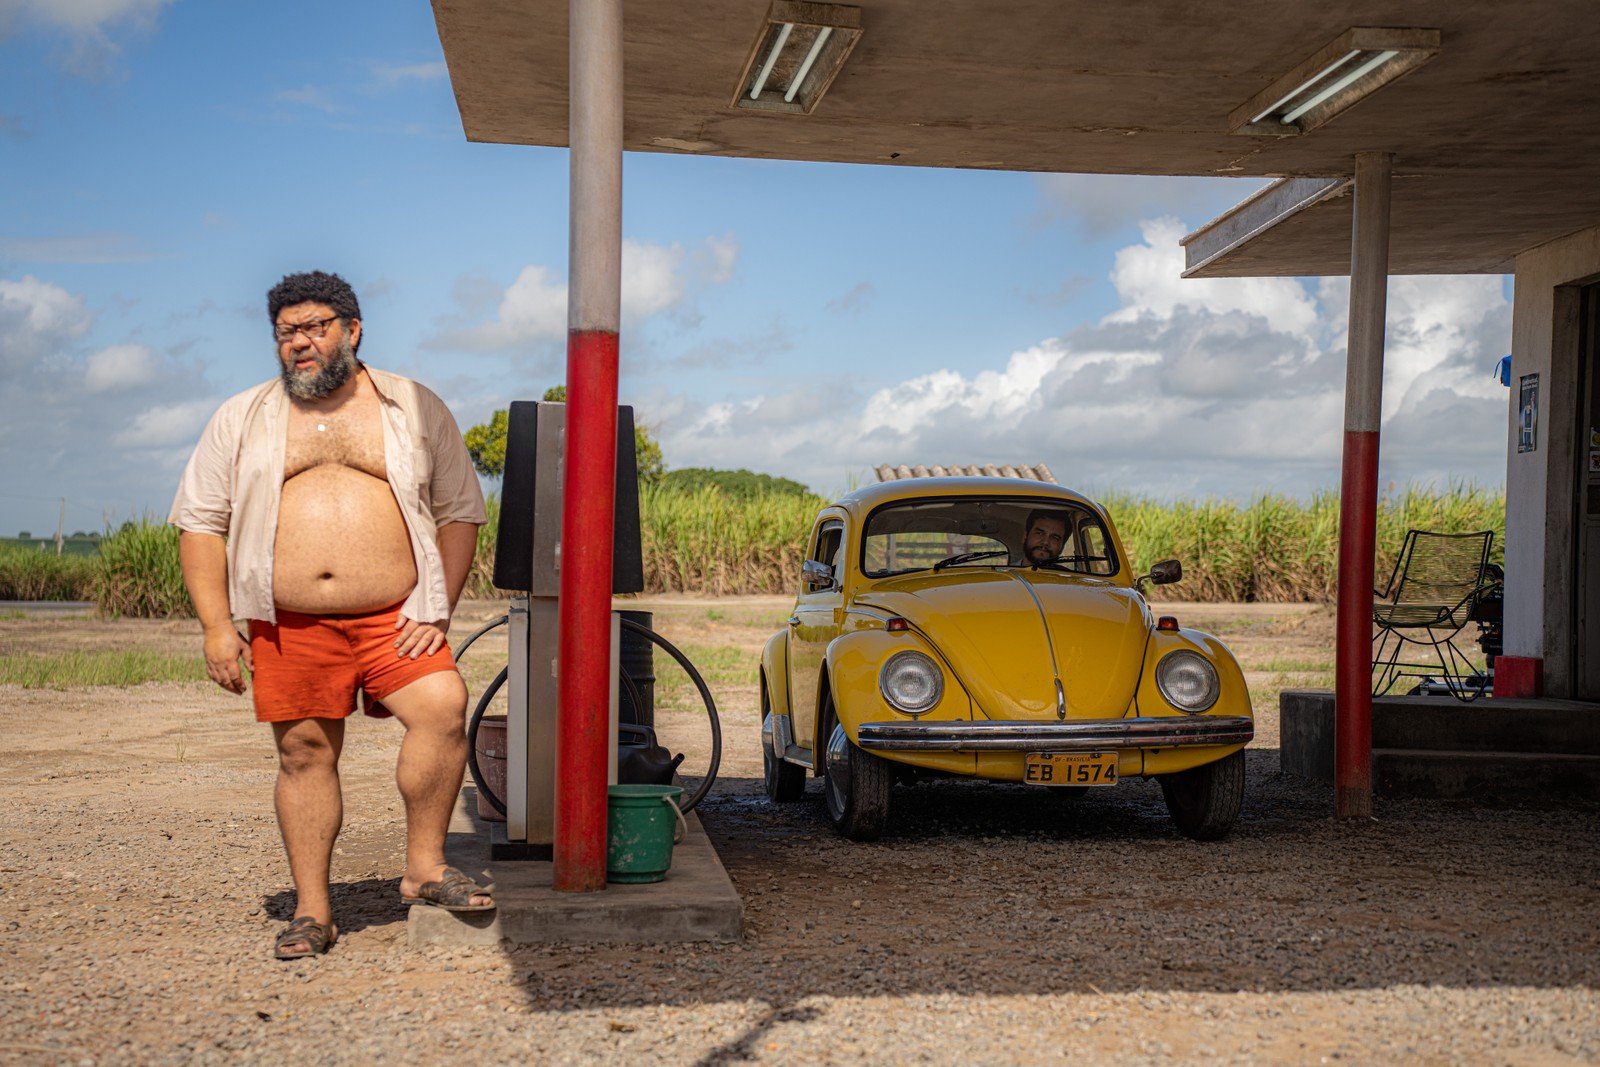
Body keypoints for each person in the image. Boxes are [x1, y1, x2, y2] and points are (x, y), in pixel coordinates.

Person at [170, 271, 493, 960]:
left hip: (394, 617)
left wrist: (437, 607)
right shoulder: (244, 415)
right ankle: (314, 911)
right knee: (304, 752)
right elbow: (199, 522)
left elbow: (461, 509)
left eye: (315, 326)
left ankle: (425, 868)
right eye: (287, 332)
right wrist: (216, 625)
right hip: (288, 620)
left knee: (441, 706)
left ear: (352, 329)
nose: (301, 342)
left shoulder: (412, 405)